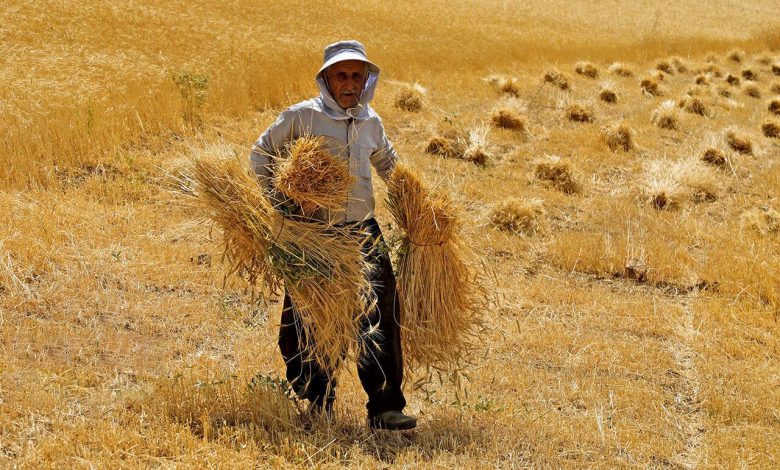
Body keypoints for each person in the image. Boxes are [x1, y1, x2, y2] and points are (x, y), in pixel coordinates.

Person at [248, 40, 416, 431]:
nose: (350, 83)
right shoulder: (302, 117)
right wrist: (284, 205)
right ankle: (316, 399)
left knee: (380, 314)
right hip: (315, 234)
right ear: (326, 79)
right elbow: (261, 154)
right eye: (342, 75)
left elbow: (390, 164)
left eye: (357, 76)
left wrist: (415, 205)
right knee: (311, 317)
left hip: (363, 232)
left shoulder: (371, 121)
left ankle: (385, 406)